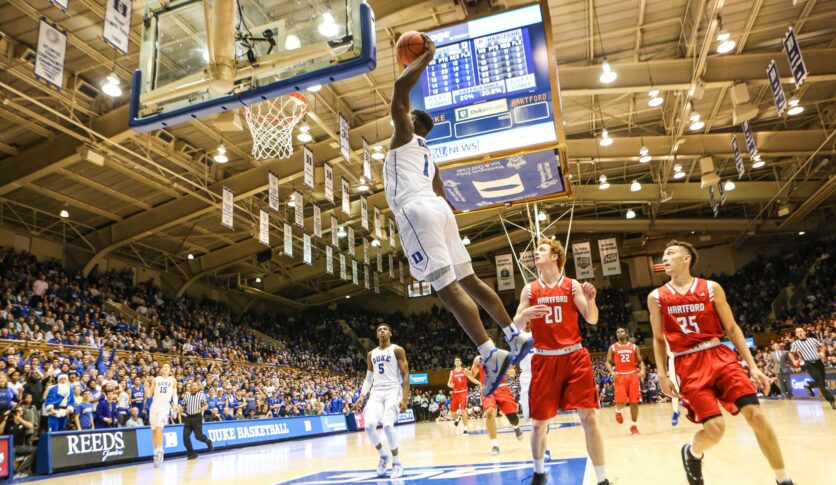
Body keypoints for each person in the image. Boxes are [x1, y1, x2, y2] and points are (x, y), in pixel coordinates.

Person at [383, 33, 532, 396]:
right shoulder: (427, 154)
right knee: (470, 280)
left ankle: (488, 351)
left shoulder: (403, 135)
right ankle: (514, 335)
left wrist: (424, 57)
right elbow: (443, 194)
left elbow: (401, 87)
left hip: (416, 211)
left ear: (411, 122)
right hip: (440, 211)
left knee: (447, 289)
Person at [647, 240, 792, 485]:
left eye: (670, 253)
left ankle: (783, 478)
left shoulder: (711, 288)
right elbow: (659, 339)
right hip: (687, 363)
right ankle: (692, 452)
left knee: (755, 414)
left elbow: (732, 328)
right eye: (664, 254)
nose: (665, 258)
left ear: (686, 259)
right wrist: (662, 374)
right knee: (715, 429)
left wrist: (753, 366)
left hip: (718, 354)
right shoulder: (656, 297)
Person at [512, 238, 607, 485]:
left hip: (574, 356)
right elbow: (514, 327)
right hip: (544, 359)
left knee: (590, 418)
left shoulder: (572, 285)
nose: (536, 253)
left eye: (541, 250)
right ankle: (539, 473)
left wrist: (592, 300)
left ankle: (603, 479)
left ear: (555, 255)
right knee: (538, 424)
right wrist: (525, 314)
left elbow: (592, 319)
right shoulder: (529, 289)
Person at [356, 323, 410, 479]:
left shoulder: (397, 350)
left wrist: (405, 398)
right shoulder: (371, 354)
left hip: (393, 389)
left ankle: (397, 462)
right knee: (368, 426)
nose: (382, 331)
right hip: (376, 392)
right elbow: (368, 377)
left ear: (390, 333)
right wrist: (361, 395)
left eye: (385, 329)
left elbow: (405, 374)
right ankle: (383, 456)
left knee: (387, 425)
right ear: (376, 335)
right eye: (379, 330)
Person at [470, 355, 523, 455]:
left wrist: (512, 373)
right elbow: (472, 374)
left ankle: (516, 427)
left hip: (502, 388)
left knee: (513, 418)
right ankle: (494, 445)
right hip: (488, 389)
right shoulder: (478, 359)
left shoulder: (501, 355)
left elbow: (512, 372)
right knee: (489, 412)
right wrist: (469, 374)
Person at [605, 327, 645, 435]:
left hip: (633, 375)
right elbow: (608, 362)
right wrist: (611, 372)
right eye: (617, 332)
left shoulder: (634, 347)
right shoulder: (612, 347)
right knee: (622, 401)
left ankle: (634, 426)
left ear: (626, 333)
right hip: (620, 376)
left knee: (634, 402)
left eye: (621, 331)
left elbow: (640, 361)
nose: (619, 333)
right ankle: (618, 411)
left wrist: (642, 370)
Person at [789, 327, 835, 409]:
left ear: (804, 332)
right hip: (809, 364)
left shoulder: (812, 340)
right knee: (820, 382)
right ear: (796, 334)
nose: (800, 333)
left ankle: (808, 385)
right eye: (798, 332)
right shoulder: (795, 344)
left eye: (801, 331)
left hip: (819, 362)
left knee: (822, 382)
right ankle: (831, 400)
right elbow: (791, 353)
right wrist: (793, 361)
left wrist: (822, 352)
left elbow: (822, 347)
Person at [147, 363, 178, 467]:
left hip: (165, 406)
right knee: (154, 430)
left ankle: (160, 450)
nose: (166, 368)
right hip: (154, 405)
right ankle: (155, 452)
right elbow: (148, 395)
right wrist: (146, 386)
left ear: (170, 370)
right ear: (161, 369)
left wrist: (175, 405)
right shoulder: (156, 379)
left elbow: (175, 394)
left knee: (159, 428)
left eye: (168, 367)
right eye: (164, 366)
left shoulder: (173, 380)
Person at [181, 382, 214, 460]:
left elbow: (206, 405)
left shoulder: (201, 395)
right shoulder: (186, 396)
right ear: (190, 387)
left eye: (196, 386)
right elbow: (182, 406)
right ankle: (191, 453)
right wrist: (179, 409)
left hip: (197, 417)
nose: (194, 387)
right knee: (185, 438)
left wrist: (203, 408)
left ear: (198, 388)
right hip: (188, 418)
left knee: (198, 437)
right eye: (193, 385)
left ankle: (208, 441)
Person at [1, 406, 37, 479]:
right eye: (18, 410)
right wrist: (5, 417)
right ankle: (12, 473)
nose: (19, 412)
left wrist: (19, 419)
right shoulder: (9, 422)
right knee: (12, 451)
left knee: (35, 449)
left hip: (20, 447)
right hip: (9, 447)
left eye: (21, 411)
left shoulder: (23, 422)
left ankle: (19, 471)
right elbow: (0, 430)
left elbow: (30, 426)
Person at [447, 357, 471, 434]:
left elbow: (471, 377)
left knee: (463, 410)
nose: (457, 362)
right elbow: (448, 383)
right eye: (456, 361)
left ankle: (465, 428)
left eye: (458, 360)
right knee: (452, 413)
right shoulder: (452, 372)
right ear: (454, 363)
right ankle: (457, 419)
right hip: (455, 393)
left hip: (463, 392)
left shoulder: (465, 370)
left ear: (461, 362)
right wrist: (451, 385)